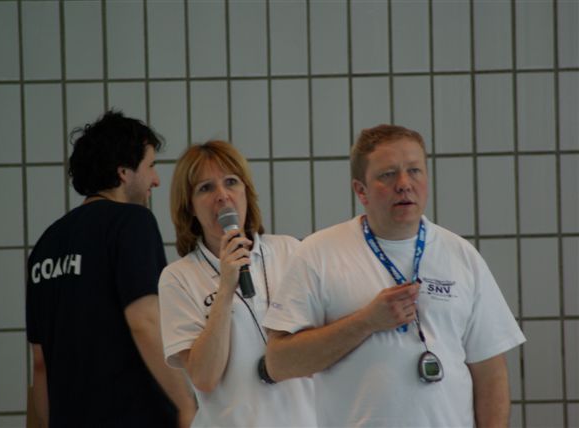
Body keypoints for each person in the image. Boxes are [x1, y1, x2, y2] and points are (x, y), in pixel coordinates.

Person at [263, 124, 526, 427]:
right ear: (360, 190)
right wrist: (366, 322)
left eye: (414, 171)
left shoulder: (461, 256)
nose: (404, 184)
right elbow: (279, 363)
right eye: (388, 174)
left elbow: (491, 373)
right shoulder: (318, 253)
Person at [26, 111, 196, 428]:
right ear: (123, 172)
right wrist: (187, 405)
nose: (156, 180)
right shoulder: (132, 222)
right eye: (150, 166)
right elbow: (144, 321)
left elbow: (40, 363)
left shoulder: (44, 246)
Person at [158, 140, 316, 427]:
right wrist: (225, 290)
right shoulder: (178, 278)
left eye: (231, 182)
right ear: (189, 206)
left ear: (246, 192)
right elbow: (204, 378)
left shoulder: (290, 251)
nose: (222, 196)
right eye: (206, 188)